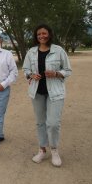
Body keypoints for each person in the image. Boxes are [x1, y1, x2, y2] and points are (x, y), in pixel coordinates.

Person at [22, 24, 72, 167]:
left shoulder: (58, 50)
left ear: (49, 34)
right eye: (39, 34)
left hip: (55, 93)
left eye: (44, 33)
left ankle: (54, 150)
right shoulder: (31, 52)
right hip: (37, 92)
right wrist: (31, 74)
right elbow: (25, 70)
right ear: (36, 37)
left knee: (53, 123)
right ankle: (42, 150)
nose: (41, 36)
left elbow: (68, 70)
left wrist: (56, 73)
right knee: (40, 122)